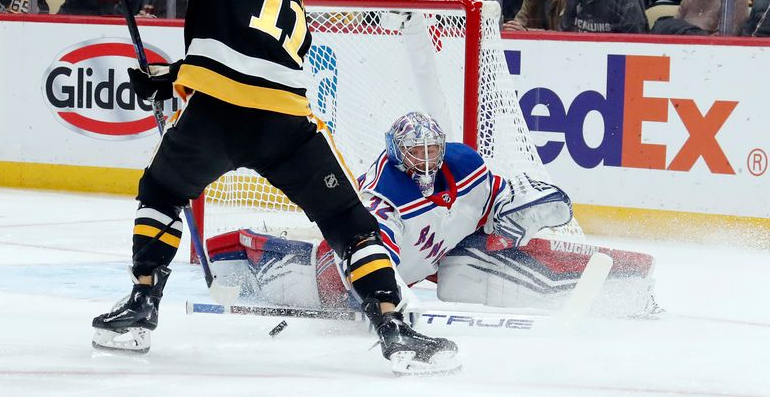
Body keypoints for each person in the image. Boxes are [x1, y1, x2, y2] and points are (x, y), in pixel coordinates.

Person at [90, 0, 457, 374]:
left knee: (161, 193)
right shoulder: (294, 3)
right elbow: (254, 57)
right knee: (350, 225)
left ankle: (141, 304)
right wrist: (171, 80)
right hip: (285, 123)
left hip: (216, 118)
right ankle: (392, 325)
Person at [205, 112, 658, 318]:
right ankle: (253, 257)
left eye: (431, 150)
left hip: (438, 256)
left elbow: (500, 197)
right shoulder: (382, 193)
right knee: (330, 281)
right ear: (396, 152)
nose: (425, 159)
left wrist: (528, 207)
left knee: (469, 270)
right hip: (374, 268)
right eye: (414, 151)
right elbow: (363, 249)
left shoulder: (462, 163)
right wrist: (386, 299)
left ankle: (624, 288)